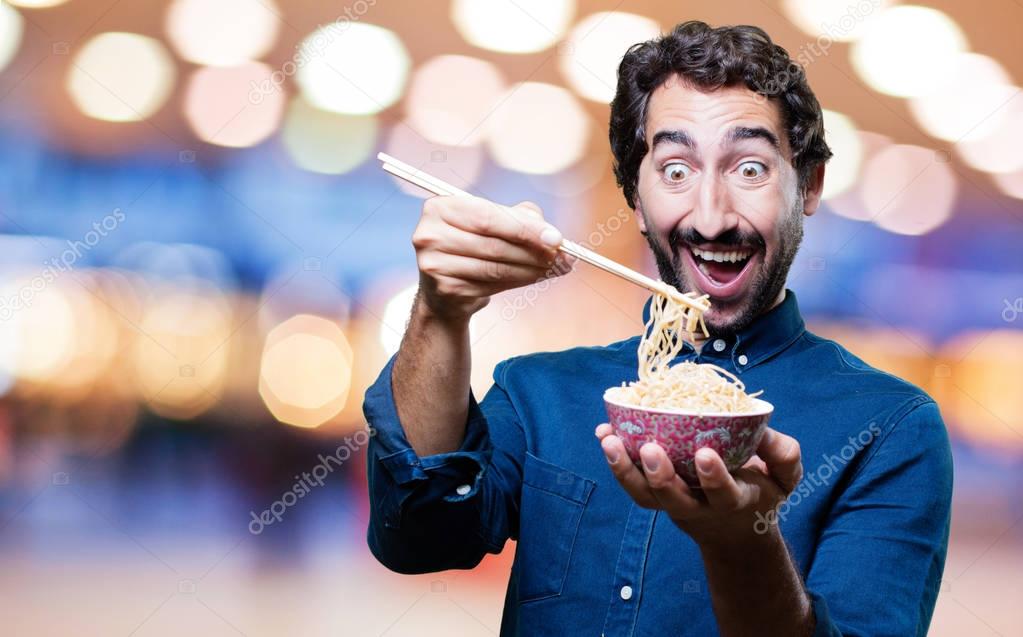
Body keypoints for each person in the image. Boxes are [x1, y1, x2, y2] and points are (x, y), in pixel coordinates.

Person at [362, 21, 952, 637]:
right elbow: (416, 539)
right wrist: (440, 309)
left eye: (749, 168)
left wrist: (741, 544)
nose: (712, 216)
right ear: (637, 200)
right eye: (675, 170)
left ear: (807, 185)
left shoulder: (889, 427)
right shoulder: (540, 391)